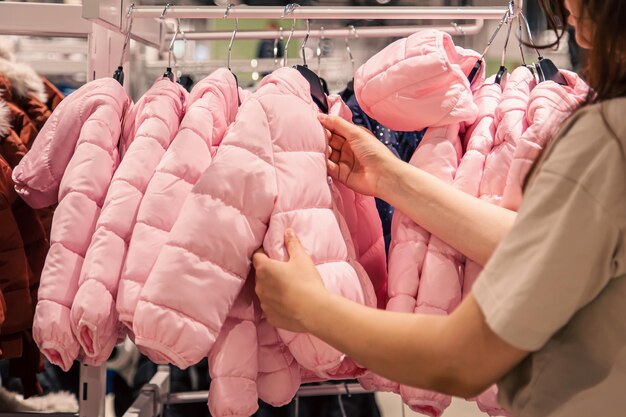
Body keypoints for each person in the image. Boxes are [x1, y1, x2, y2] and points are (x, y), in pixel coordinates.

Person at [252, 0, 626, 415]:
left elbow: (464, 358)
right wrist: (389, 177)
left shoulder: (606, 139)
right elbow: (538, 247)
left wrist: (310, 308)